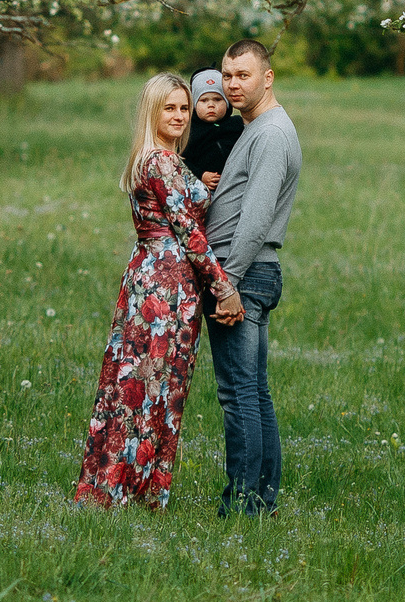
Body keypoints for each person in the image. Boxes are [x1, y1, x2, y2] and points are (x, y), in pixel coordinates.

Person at [74, 73, 245, 509]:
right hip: (166, 285)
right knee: (153, 386)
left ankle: (123, 488)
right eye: (169, 107)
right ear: (152, 110)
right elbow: (189, 231)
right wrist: (223, 287)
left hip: (149, 274)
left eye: (183, 108)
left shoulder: (155, 158)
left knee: (139, 381)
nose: (179, 115)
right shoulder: (162, 162)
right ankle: (128, 492)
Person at [203, 38, 301, 516]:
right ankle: (260, 500)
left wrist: (227, 284)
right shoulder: (254, 129)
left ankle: (243, 505)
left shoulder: (270, 134)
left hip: (243, 274)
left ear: (268, 77)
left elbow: (257, 217)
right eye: (227, 74)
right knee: (252, 390)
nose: (232, 84)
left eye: (243, 74)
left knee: (237, 392)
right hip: (244, 273)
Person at [182, 68, 247, 191]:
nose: (211, 105)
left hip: (237, 186)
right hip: (205, 190)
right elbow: (183, 162)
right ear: (194, 105)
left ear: (227, 102)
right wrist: (201, 175)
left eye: (217, 99)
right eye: (204, 100)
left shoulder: (237, 124)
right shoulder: (190, 131)